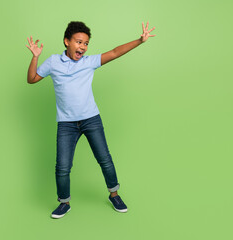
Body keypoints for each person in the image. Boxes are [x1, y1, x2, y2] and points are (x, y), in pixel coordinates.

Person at [26, 21, 156, 219]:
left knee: (104, 159)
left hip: (90, 119)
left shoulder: (88, 62)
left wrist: (140, 40)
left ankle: (114, 195)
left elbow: (114, 52)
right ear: (66, 41)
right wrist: (35, 57)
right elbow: (32, 79)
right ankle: (64, 203)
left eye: (86, 43)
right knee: (62, 166)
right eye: (79, 42)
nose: (83, 47)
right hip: (66, 124)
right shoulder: (53, 62)